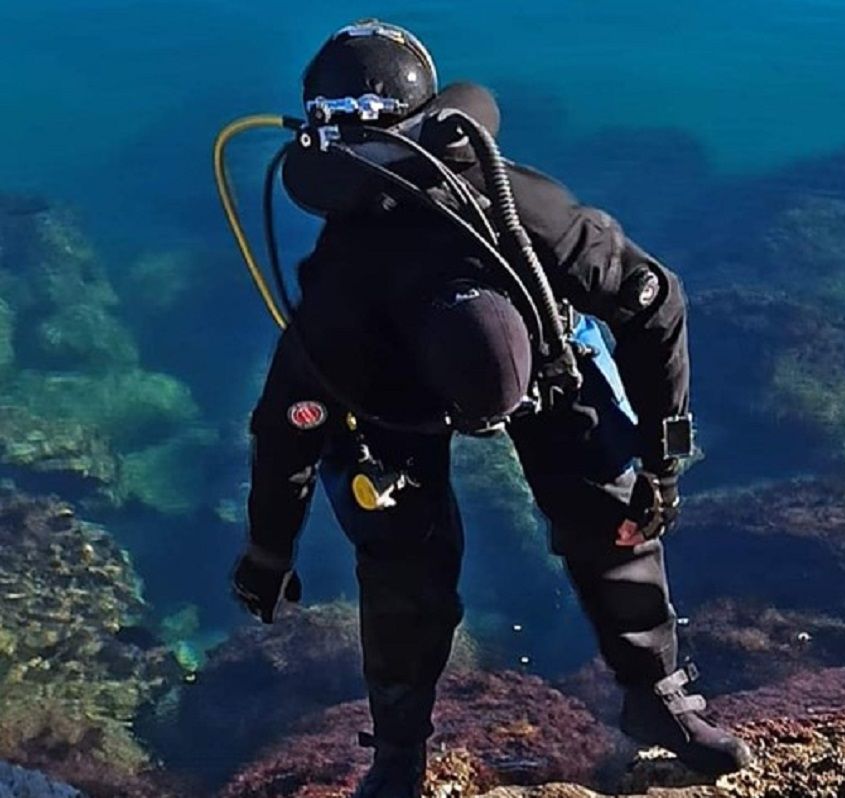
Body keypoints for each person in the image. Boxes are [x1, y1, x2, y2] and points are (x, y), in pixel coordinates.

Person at [230, 19, 752, 798]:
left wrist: (662, 456)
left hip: (544, 363)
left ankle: (657, 696)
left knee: (613, 515)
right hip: (391, 396)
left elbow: (654, 301)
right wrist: (269, 552)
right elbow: (286, 432)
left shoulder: (528, 222)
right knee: (403, 569)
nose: (481, 430)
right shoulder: (341, 309)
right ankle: (398, 756)